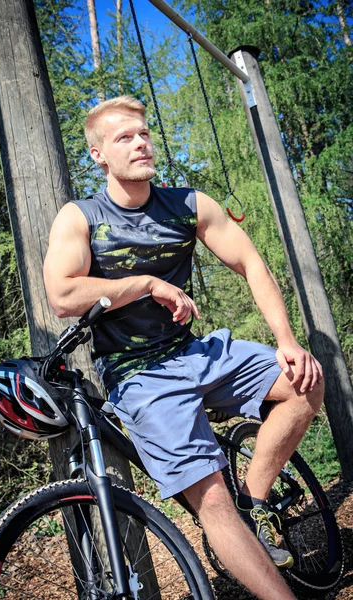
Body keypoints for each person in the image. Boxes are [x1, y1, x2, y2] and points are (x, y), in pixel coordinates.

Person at [44, 96, 324, 600]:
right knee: (209, 497)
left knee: (306, 380)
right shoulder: (81, 217)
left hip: (197, 353)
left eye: (144, 133)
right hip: (137, 376)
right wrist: (148, 282)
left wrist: (286, 341)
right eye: (124, 137)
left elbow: (251, 264)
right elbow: (63, 295)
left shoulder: (189, 205)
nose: (141, 143)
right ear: (98, 154)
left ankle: (254, 504)